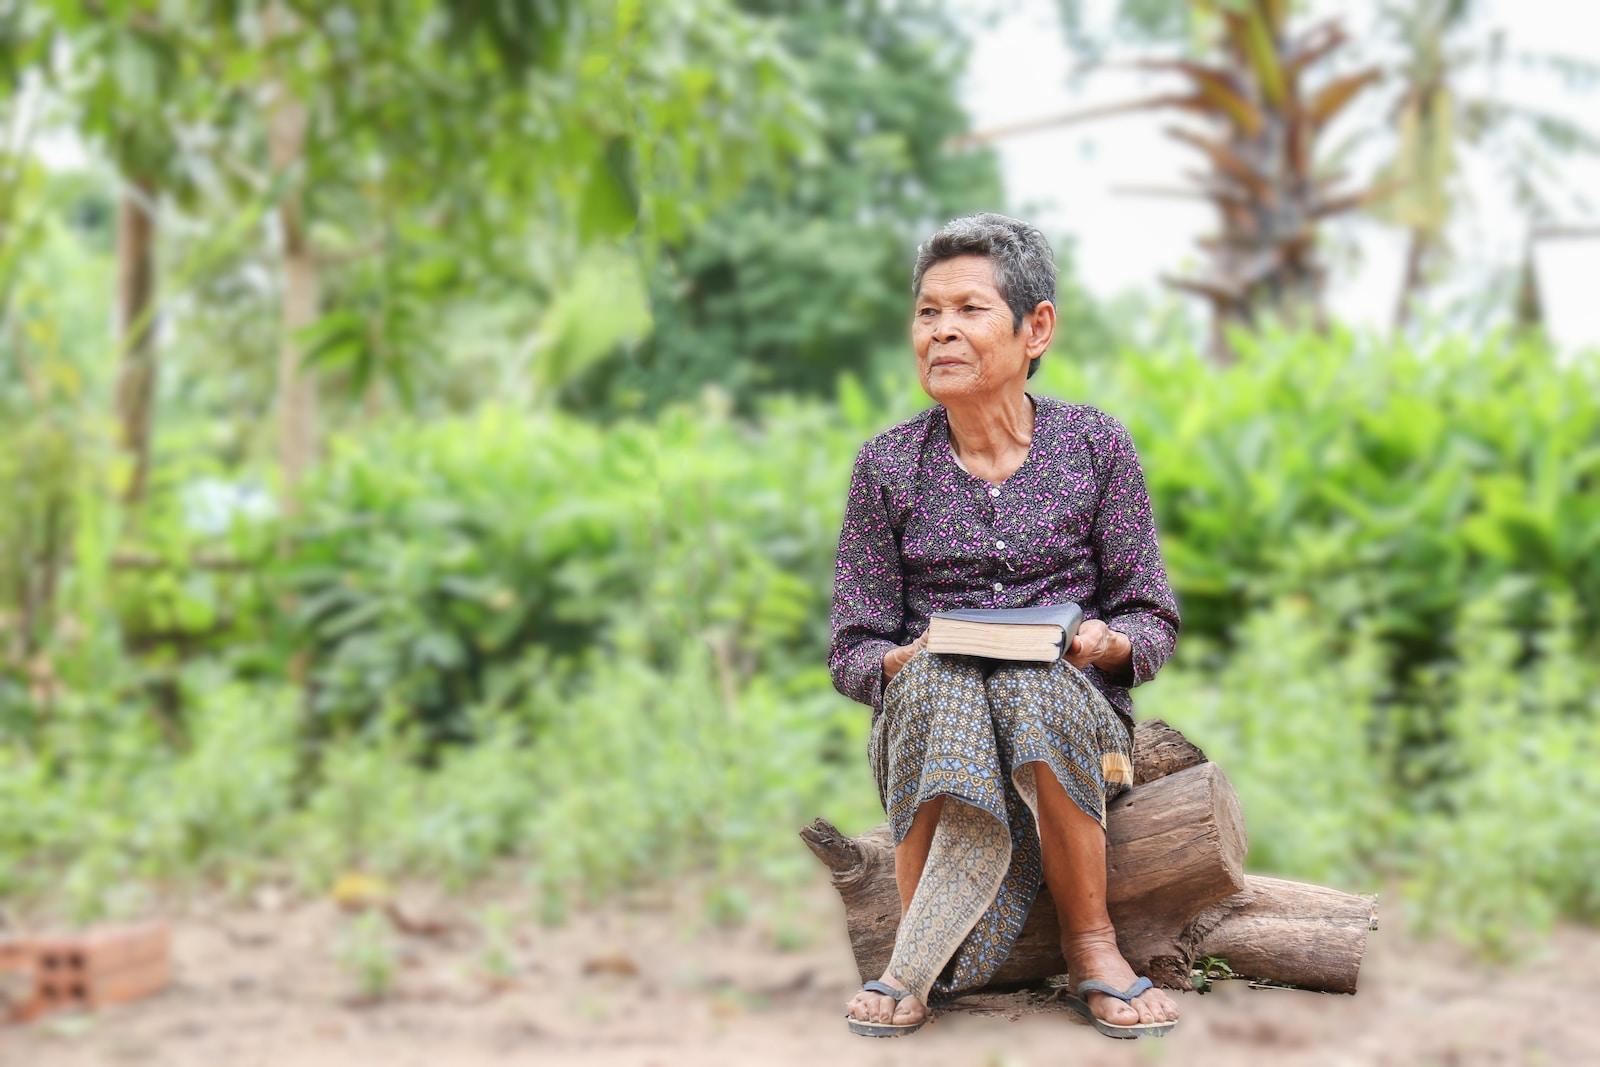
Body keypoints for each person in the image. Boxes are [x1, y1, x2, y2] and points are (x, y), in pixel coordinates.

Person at [830, 213, 1183, 1039]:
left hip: (1071, 719)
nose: (941, 331)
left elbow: (1151, 615)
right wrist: (900, 660)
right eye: (927, 312)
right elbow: (851, 648)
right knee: (936, 679)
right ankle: (914, 960)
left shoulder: (1095, 446)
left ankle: (1092, 944)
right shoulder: (885, 465)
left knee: (1033, 684)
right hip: (930, 720)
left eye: (969, 310)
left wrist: (1108, 642)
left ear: (1037, 328)